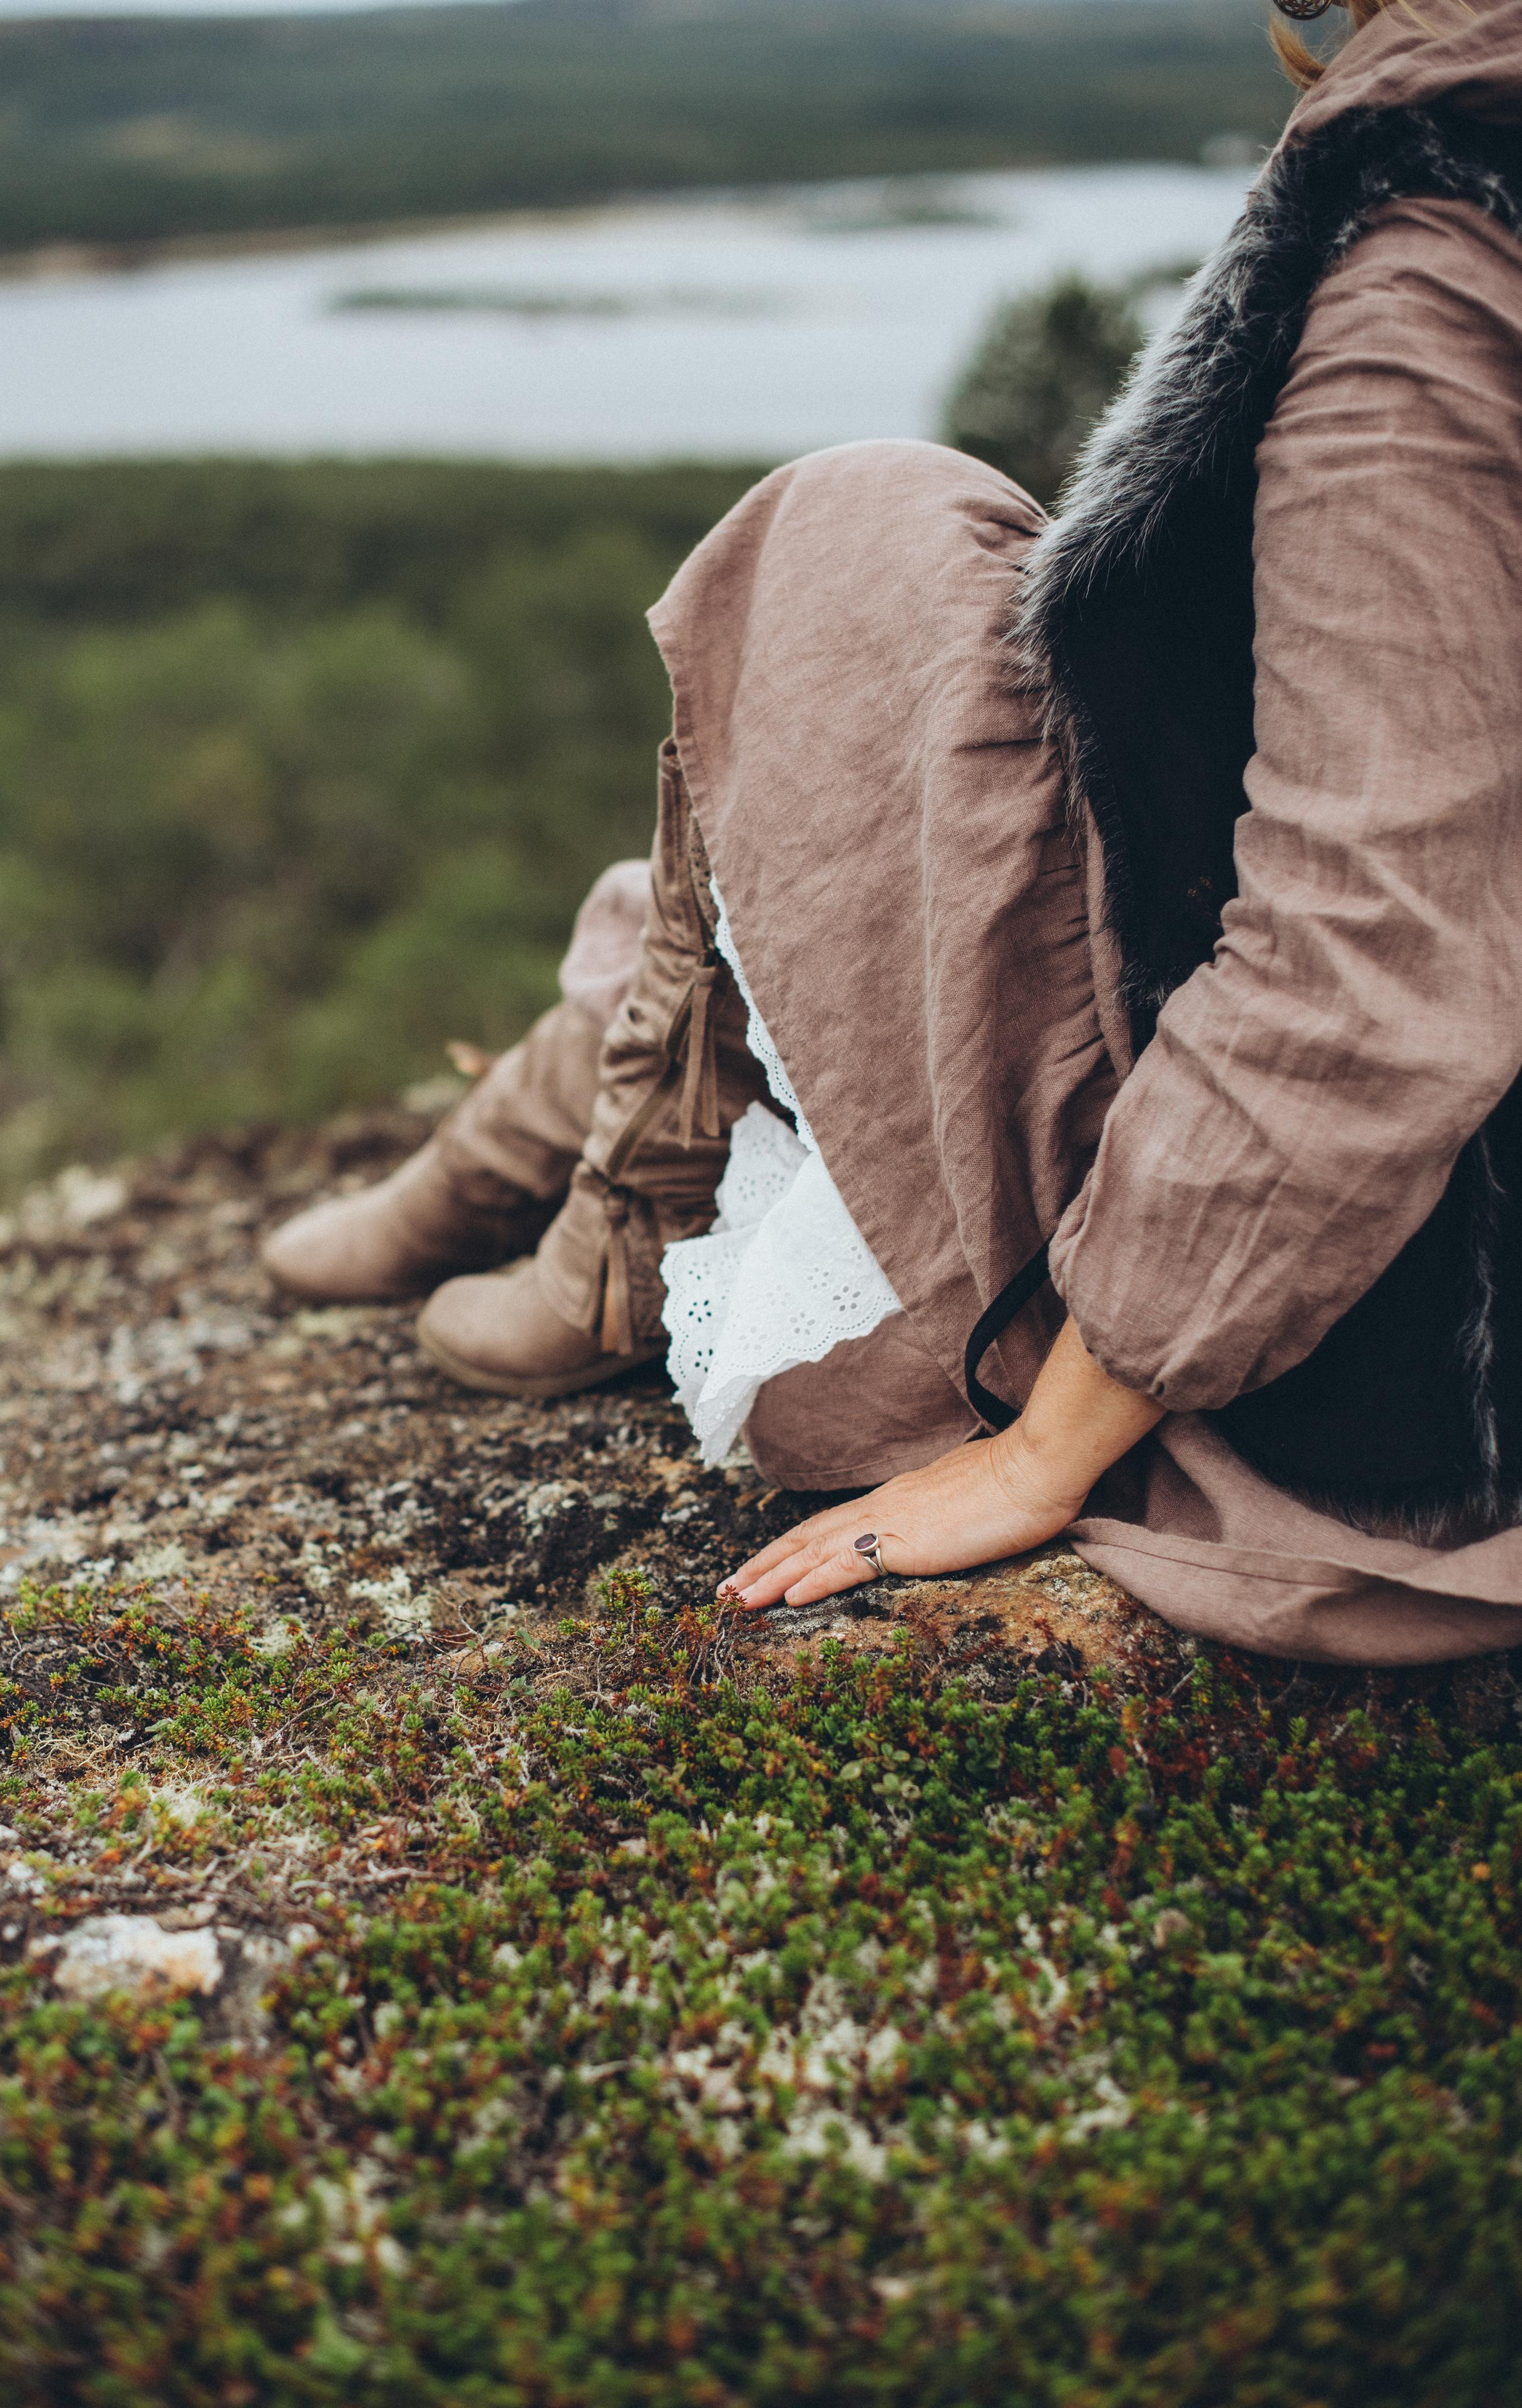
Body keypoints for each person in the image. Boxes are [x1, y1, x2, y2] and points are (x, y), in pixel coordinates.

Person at [264, 0, 1522, 1666]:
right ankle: (571, 1100)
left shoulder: (1437, 279)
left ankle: (618, 1195)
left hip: (1399, 1378)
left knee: (870, 528)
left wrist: (1055, 1441)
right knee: (1046, 699)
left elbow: (1371, 979)